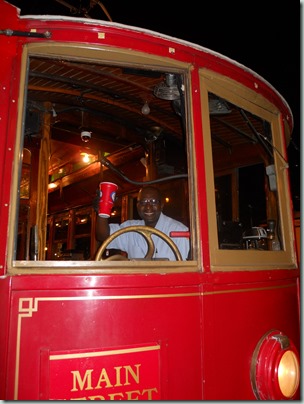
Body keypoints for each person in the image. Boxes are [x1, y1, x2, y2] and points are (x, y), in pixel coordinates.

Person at [95, 185, 190, 260]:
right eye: (143, 202)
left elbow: (186, 268)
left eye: (153, 201)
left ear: (161, 205)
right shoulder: (130, 229)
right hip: (137, 284)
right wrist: (102, 213)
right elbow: (103, 236)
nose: (148, 207)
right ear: (137, 206)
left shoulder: (179, 231)